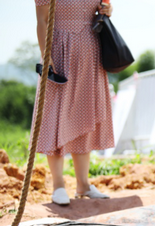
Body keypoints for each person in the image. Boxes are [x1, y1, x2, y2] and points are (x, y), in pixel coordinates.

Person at [33, 0, 115, 206]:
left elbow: (102, 9)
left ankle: (83, 185)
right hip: (59, 51)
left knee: (86, 113)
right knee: (55, 117)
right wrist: (46, 56)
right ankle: (58, 185)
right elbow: (42, 21)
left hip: (91, 51)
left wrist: (108, 10)